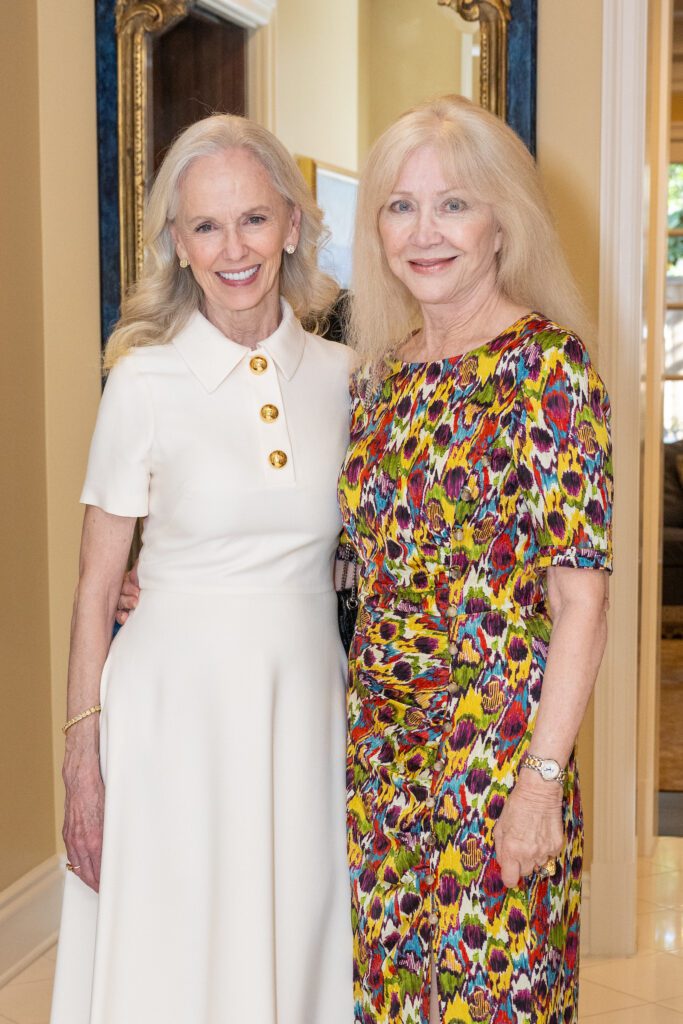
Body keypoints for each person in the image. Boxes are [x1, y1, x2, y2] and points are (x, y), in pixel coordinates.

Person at [50, 114, 354, 1024]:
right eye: (206, 227)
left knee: (293, 941)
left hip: (301, 710)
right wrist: (81, 767)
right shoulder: (142, 382)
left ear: (293, 225)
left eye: (254, 220)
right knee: (175, 958)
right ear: (177, 244)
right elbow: (95, 592)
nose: (234, 249)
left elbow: (354, 557)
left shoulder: (348, 376)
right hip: (168, 718)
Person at [337, 95, 612, 1024]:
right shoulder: (382, 376)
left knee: (497, 999)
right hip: (380, 749)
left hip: (494, 752)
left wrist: (539, 785)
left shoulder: (549, 369)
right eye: (400, 205)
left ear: (503, 222)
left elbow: (582, 604)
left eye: (453, 203)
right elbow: (355, 558)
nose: (425, 232)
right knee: (392, 993)